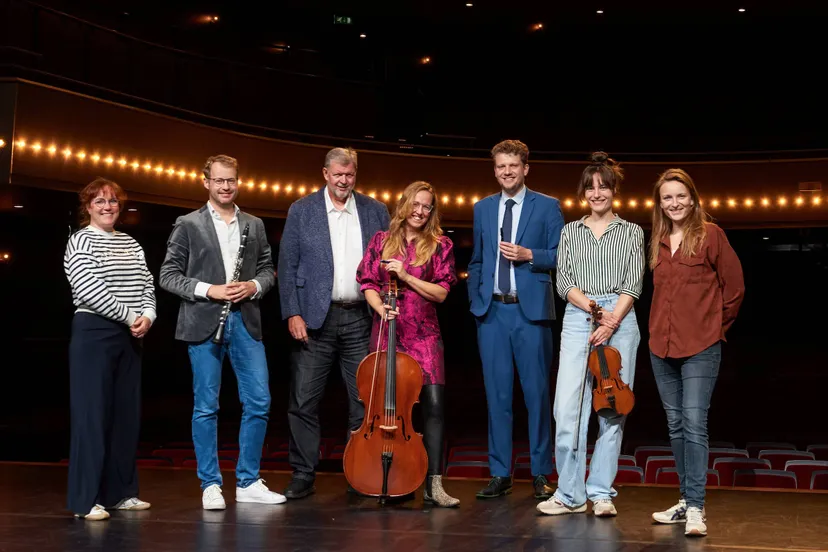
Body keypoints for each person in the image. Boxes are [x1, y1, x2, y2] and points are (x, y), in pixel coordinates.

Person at [159, 154, 284, 509]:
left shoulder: (254, 224)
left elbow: (267, 270)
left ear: (237, 182)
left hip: (245, 320)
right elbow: (168, 275)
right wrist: (209, 290)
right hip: (203, 320)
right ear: (206, 182)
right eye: (219, 181)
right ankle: (210, 484)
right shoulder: (188, 223)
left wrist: (254, 287)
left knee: (259, 401)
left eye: (231, 180)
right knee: (206, 406)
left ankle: (248, 481)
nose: (225, 186)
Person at [277, 147, 391, 499]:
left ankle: (359, 473)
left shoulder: (376, 210)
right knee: (303, 401)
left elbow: (388, 261)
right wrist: (292, 312)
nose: (344, 180)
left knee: (363, 402)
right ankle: (303, 474)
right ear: (325, 173)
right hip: (314, 320)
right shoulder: (302, 210)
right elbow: (287, 265)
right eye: (338, 174)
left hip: (360, 317)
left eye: (350, 174)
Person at [537, 152, 644, 517]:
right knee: (567, 409)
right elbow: (564, 282)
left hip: (621, 317)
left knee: (613, 406)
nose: (597, 193)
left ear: (614, 190)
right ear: (583, 192)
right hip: (579, 315)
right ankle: (570, 494)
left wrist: (610, 320)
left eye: (603, 187)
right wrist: (594, 311)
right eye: (590, 188)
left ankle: (600, 492)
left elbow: (633, 283)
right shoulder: (570, 232)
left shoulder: (632, 232)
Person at [648, 169, 744, 537]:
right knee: (675, 424)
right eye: (667, 198)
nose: (674, 203)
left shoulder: (711, 235)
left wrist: (714, 328)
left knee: (693, 422)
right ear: (660, 204)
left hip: (701, 346)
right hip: (661, 346)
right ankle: (685, 499)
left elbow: (734, 289)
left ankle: (696, 508)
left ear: (692, 198)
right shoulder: (657, 240)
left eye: (680, 196)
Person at [468, 139, 565, 500]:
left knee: (537, 395)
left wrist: (529, 254)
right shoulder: (482, 208)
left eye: (513, 166)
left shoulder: (548, 206)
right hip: (492, 313)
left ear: (525, 168)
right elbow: (478, 260)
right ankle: (500, 473)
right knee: (497, 397)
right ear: (495, 170)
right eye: (501, 166)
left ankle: (541, 473)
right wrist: (477, 301)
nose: (506, 172)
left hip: (531, 313)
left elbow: (562, 255)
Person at [355, 181, 459, 507]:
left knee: (434, 407)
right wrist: (379, 308)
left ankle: (434, 485)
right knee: (390, 409)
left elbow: (441, 293)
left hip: (425, 335)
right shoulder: (381, 241)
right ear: (404, 205)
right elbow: (367, 282)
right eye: (415, 204)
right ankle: (396, 480)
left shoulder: (440, 245)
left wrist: (407, 276)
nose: (420, 211)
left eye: (427, 206)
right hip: (388, 332)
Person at [63, 178, 155, 520]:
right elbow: (89, 289)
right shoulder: (80, 240)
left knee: (125, 416)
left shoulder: (130, 243)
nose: (107, 206)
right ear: (88, 206)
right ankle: (85, 500)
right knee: (92, 417)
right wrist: (131, 316)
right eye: (100, 201)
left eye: (113, 201)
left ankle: (121, 494)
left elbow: (147, 283)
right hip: (94, 333)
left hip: (131, 335)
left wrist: (148, 315)